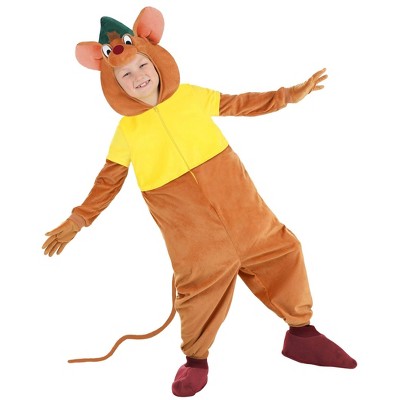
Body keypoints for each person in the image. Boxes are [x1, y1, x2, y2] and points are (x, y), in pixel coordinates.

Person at [42, 7, 357, 397]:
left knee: (284, 251)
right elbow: (108, 182)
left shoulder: (190, 96)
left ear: (156, 62)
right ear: (115, 84)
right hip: (191, 233)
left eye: (142, 66)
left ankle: (302, 334)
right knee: (198, 290)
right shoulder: (127, 131)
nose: (137, 77)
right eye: (125, 75)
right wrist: (78, 219)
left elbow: (240, 103)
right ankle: (195, 360)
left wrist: (288, 96)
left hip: (244, 212)